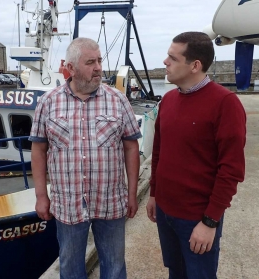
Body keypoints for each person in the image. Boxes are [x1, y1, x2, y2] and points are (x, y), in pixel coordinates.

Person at [29, 37, 142, 279]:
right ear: (70, 68)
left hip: (110, 202)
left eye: (99, 60)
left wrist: (132, 192)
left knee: (114, 266)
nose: (99, 67)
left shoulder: (118, 100)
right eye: (90, 62)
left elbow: (131, 147)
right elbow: (39, 150)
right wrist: (41, 196)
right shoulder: (48, 102)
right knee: (69, 267)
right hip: (68, 205)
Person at [146, 31, 246, 279]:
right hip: (165, 212)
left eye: (172, 57)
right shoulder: (168, 101)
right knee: (176, 274)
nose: (165, 62)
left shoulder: (225, 104)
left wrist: (210, 222)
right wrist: (154, 194)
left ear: (195, 65)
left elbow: (231, 170)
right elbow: (158, 152)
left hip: (197, 218)